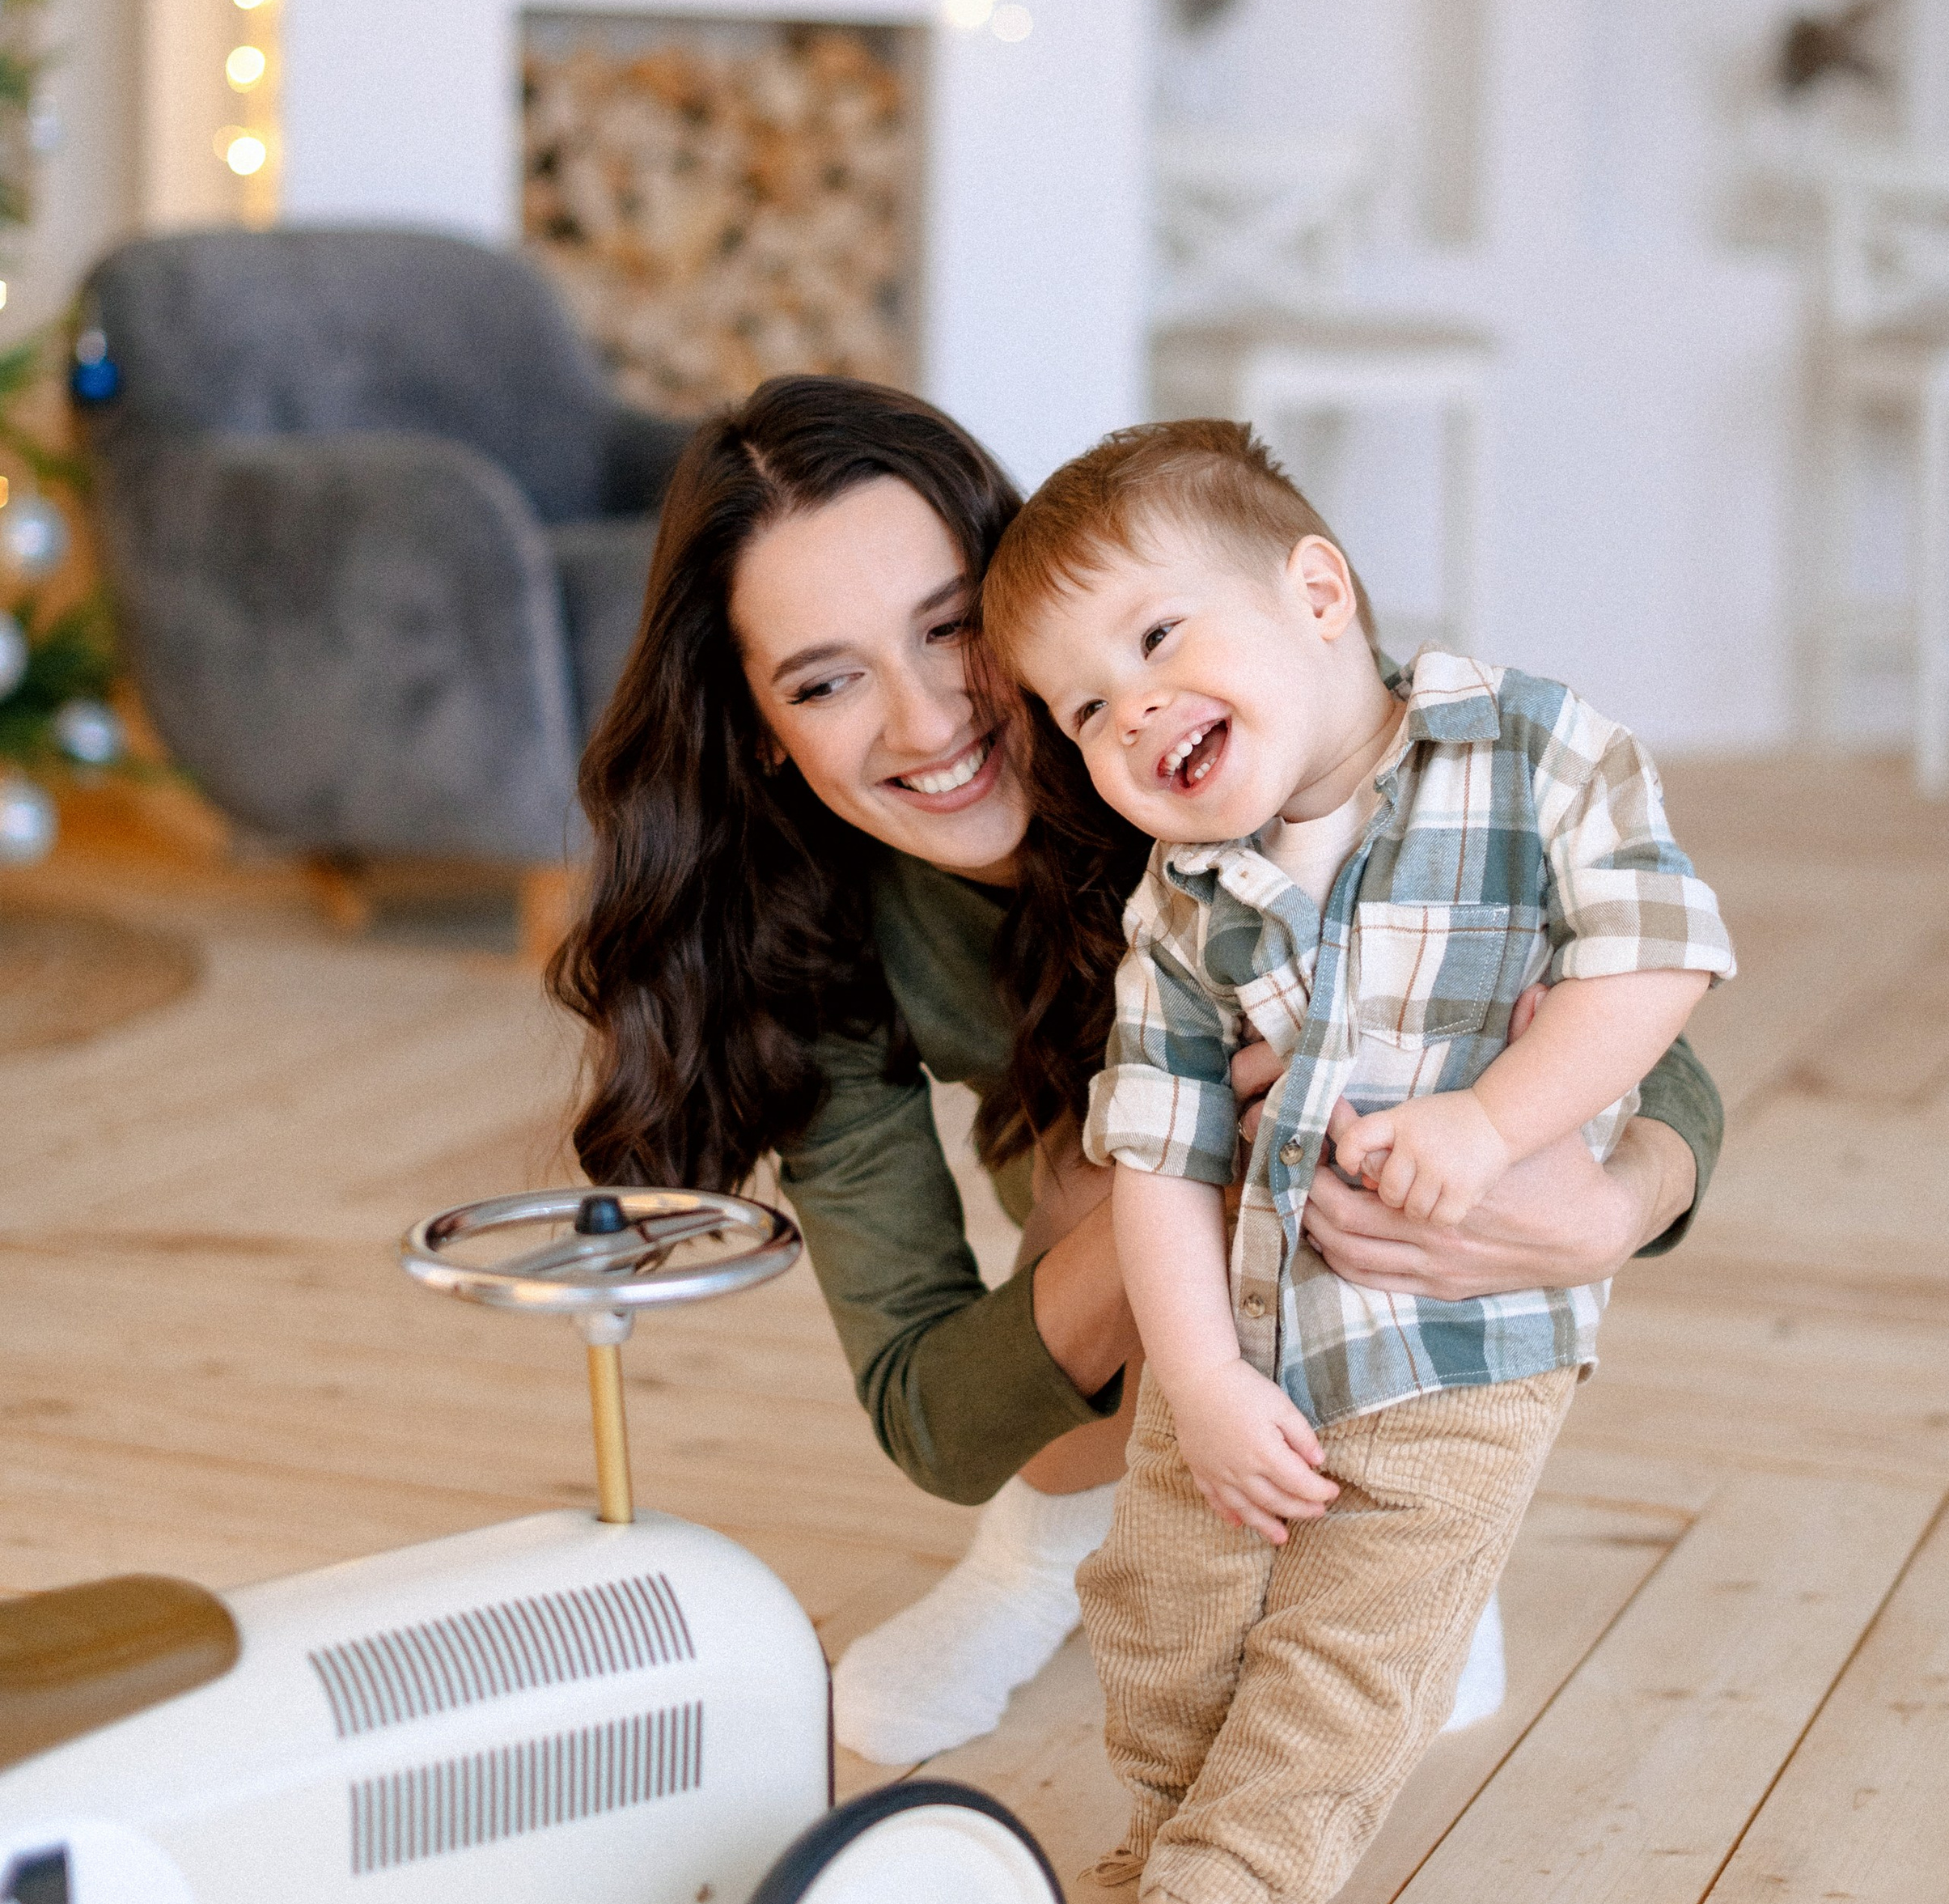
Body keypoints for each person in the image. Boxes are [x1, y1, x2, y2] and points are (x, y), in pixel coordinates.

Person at [553, 378, 1727, 1774]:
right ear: (758, 724)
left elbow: (1650, 1044)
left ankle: (1401, 1534)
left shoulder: (1217, 738)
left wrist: (1606, 1208)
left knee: (1464, 1059)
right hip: (1141, 1263)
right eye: (824, 681)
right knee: (1100, 1161)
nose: (926, 724)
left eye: (950, 631)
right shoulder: (813, 939)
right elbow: (933, 1414)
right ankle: (1044, 1558)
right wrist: (1188, 1168)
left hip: (1403, 1258)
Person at [983, 419, 1735, 1904]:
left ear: (1316, 594)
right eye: (1083, 707)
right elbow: (1158, 1154)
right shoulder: (1181, 903)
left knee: (1350, 1650)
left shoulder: (1533, 750)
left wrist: (1490, 1122)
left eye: (1155, 638)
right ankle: (1167, 1852)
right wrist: (1197, 1381)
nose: (1129, 713)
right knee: (1159, 1602)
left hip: (1458, 1340)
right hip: (1243, 1328)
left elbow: (1656, 962)